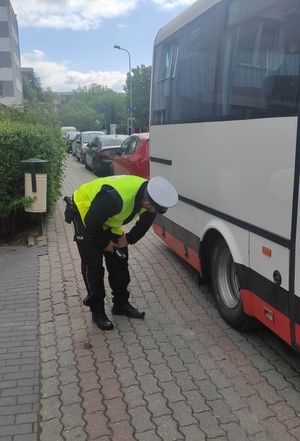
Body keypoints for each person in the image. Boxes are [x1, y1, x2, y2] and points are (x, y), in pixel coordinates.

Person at [64, 175, 178, 331]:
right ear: (146, 202)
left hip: (105, 217)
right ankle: (97, 311)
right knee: (94, 266)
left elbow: (145, 221)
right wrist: (105, 243)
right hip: (85, 213)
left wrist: (129, 239)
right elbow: (91, 221)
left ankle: (120, 304)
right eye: (152, 208)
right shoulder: (115, 198)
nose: (152, 212)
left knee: (120, 261)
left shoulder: (150, 195)